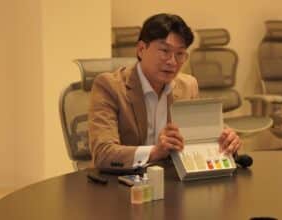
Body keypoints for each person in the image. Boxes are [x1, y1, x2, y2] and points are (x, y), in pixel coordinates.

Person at [88, 13, 241, 168]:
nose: (172, 62)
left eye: (180, 54)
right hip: (121, 184)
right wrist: (155, 152)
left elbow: (197, 141)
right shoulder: (109, 86)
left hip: (171, 181)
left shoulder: (188, 86)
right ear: (141, 49)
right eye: (164, 51)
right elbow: (103, 154)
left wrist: (225, 142)